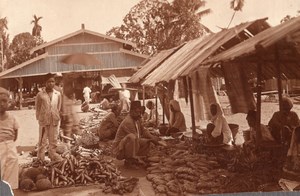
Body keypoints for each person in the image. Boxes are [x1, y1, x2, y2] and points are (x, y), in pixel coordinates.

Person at [112, 101, 160, 167]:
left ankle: (137, 158)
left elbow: (144, 130)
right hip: (119, 149)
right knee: (132, 137)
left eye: (139, 112)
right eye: (136, 112)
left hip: (133, 143)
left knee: (148, 142)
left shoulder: (137, 119)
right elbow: (136, 139)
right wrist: (150, 140)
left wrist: (152, 137)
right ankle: (130, 160)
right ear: (131, 112)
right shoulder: (128, 122)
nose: (139, 114)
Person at [35, 73, 62, 161]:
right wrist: (40, 118)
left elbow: (58, 107)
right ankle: (40, 159)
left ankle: (52, 157)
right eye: (49, 82)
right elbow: (38, 107)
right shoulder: (40, 94)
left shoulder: (57, 94)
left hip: (54, 120)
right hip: (44, 121)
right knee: (42, 141)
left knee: (53, 140)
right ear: (45, 83)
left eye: (53, 81)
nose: (51, 83)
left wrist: (56, 115)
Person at [0, 87, 19, 190]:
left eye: (4, 101)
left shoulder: (12, 118)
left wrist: (8, 143)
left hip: (10, 147)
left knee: (11, 175)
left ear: (9, 102)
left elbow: (15, 134)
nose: (1, 104)